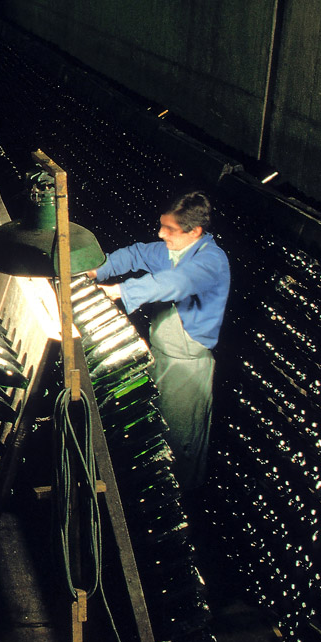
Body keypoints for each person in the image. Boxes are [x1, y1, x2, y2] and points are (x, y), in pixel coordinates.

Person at [90, 191, 230, 492]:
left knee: (179, 443)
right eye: (161, 226)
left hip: (186, 368)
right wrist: (96, 269)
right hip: (161, 356)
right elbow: (137, 253)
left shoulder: (210, 261)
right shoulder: (172, 250)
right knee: (155, 433)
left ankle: (182, 511)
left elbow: (176, 283)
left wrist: (120, 291)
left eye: (169, 230)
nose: (160, 233)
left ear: (195, 231)